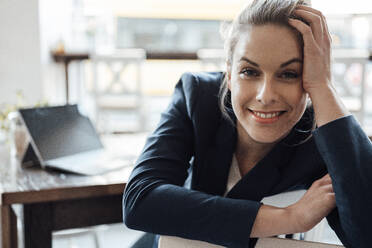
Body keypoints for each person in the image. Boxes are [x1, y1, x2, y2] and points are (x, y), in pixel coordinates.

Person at [123, 0, 372, 247]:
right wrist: (289, 218)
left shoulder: (326, 136)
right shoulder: (198, 96)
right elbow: (140, 201)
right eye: (249, 72)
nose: (266, 95)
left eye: (289, 74)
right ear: (229, 74)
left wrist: (323, 87)